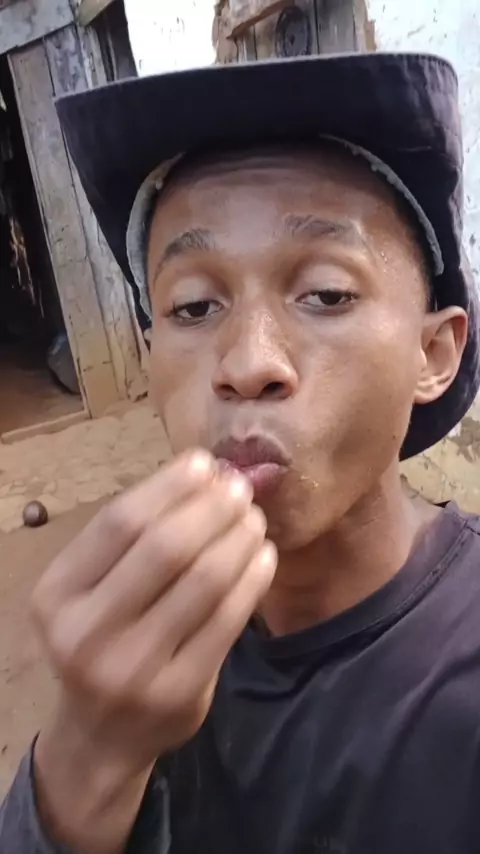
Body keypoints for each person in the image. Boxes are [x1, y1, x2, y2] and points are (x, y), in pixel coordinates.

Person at [1, 52, 480, 854]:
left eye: (326, 294)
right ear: (149, 361)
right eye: (194, 306)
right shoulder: (132, 650)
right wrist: (89, 757)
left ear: (433, 354)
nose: (247, 363)